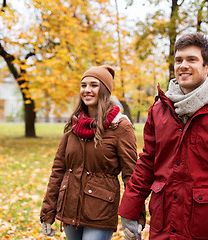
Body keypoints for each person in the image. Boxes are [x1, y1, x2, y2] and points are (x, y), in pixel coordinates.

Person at [117, 33, 208, 240]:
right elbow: (147, 163)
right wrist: (129, 209)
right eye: (179, 60)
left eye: (191, 60)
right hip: (164, 228)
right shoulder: (159, 109)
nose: (183, 65)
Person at [40, 65, 144, 239]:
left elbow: (131, 174)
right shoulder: (73, 124)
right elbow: (58, 170)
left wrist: (135, 216)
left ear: (104, 89)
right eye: (83, 85)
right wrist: (47, 212)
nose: (87, 90)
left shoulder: (120, 126)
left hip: (100, 211)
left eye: (94, 85)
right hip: (70, 208)